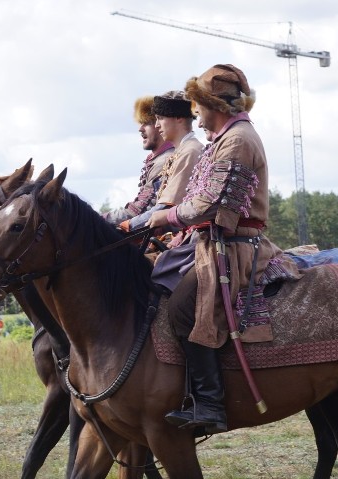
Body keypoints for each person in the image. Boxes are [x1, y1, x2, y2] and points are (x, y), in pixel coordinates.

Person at [148, 64, 300, 434]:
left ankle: (210, 404)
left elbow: (208, 205)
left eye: (198, 108)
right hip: (210, 243)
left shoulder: (238, 140)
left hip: (233, 248)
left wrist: (161, 219)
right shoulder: (227, 137)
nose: (196, 118)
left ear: (212, 105)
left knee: (185, 309)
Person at [125, 91, 203, 231]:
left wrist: (127, 227)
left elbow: (166, 207)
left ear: (178, 117)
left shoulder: (190, 152)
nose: (156, 125)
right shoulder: (181, 151)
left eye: (160, 118)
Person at [103, 96, 174, 225]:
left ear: (160, 124)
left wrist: (99, 219)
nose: (140, 129)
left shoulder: (165, 160)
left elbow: (140, 210)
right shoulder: (159, 159)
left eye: (147, 123)